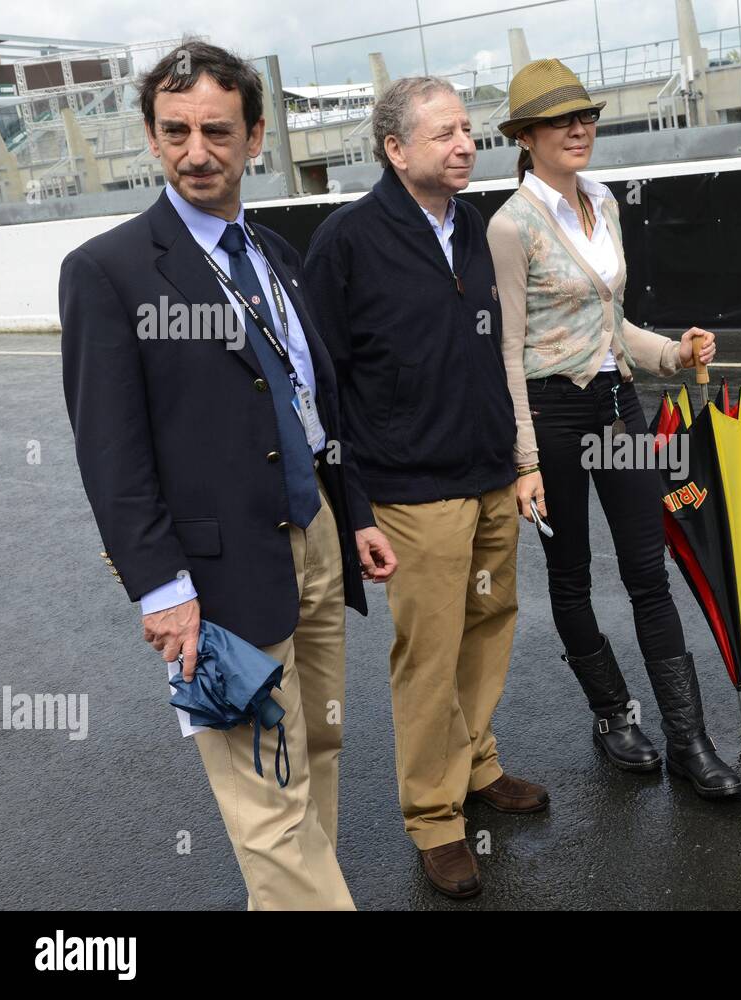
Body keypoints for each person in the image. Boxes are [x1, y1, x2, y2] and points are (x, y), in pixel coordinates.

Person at [58, 40, 397, 910]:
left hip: (315, 540)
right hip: (213, 577)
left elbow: (310, 398)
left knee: (316, 751)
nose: (195, 152)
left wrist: (350, 509)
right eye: (174, 131)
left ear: (255, 137)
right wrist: (160, 588)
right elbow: (111, 452)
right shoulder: (109, 271)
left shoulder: (276, 255)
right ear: (150, 135)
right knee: (267, 801)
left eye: (216, 130)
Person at [303, 76, 548, 901]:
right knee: (429, 657)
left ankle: (477, 764)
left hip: (487, 476)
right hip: (410, 494)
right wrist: (355, 504)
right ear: (395, 149)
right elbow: (323, 382)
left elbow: (495, 354)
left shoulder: (473, 226)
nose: (464, 144)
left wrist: (519, 463)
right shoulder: (346, 241)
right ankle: (435, 819)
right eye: (443, 133)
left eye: (467, 130)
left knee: (489, 631)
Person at [487, 59, 741, 800]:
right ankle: (611, 715)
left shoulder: (603, 200)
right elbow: (508, 348)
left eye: (587, 116)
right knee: (572, 581)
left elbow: (612, 327)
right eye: (562, 120)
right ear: (527, 136)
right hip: (551, 416)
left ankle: (690, 743)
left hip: (616, 405)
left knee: (648, 574)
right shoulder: (511, 225)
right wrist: (524, 459)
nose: (580, 128)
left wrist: (671, 352)